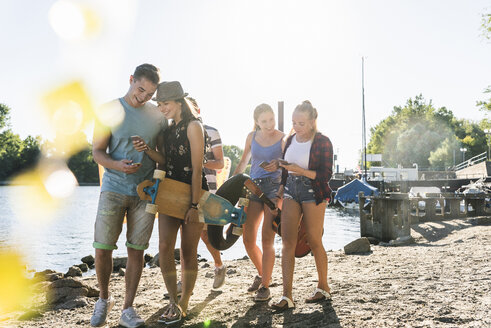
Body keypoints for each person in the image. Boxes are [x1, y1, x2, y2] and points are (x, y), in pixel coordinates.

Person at [91, 64, 166, 328]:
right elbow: (97, 152)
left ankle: (128, 308)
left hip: (145, 192)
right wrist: (117, 165)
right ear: (131, 80)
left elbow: (162, 156)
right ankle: (103, 299)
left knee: (137, 250)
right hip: (112, 187)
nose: (143, 97)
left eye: (149, 94)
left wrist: (147, 151)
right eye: (140, 89)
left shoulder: (157, 116)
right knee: (102, 249)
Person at [271, 100, 333, 311]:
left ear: (313, 121)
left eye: (302, 123)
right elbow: (286, 170)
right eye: (294, 122)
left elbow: (325, 175)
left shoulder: (323, 141)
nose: (296, 127)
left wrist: (301, 170)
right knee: (288, 242)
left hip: (313, 190)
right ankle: (287, 296)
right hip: (290, 189)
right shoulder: (289, 140)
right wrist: (280, 189)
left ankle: (323, 287)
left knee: (314, 240)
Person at [154, 82, 207, 324]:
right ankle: (173, 301)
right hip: (169, 191)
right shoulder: (166, 131)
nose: (162, 107)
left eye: (165, 103)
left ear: (178, 103)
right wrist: (147, 151)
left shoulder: (194, 126)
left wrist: (194, 206)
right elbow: (164, 163)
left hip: (194, 192)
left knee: (188, 251)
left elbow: (198, 170)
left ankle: (184, 301)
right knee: (164, 247)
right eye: (159, 104)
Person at [232, 103, 284, 302]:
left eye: (271, 119)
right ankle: (264, 274)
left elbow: (289, 165)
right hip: (252, 187)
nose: (269, 124)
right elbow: (244, 161)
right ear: (257, 122)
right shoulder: (251, 137)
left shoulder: (282, 138)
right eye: (264, 121)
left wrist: (279, 163)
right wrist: (233, 184)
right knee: (247, 238)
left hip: (274, 188)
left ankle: (265, 286)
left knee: (267, 239)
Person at [188, 97, 227, 289]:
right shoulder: (176, 133)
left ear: (198, 110)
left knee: (205, 236)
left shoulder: (211, 131)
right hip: (181, 189)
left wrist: (198, 162)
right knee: (185, 234)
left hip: (207, 188)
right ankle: (185, 280)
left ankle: (219, 266)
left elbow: (220, 163)